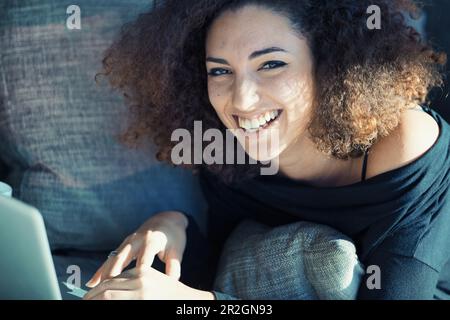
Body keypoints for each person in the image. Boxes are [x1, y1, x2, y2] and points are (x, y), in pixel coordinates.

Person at [83, 0, 450, 300]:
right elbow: (226, 269)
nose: (241, 100)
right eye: (220, 71)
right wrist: (173, 227)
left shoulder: (404, 142)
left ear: (329, 66)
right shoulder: (227, 141)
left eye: (271, 64)